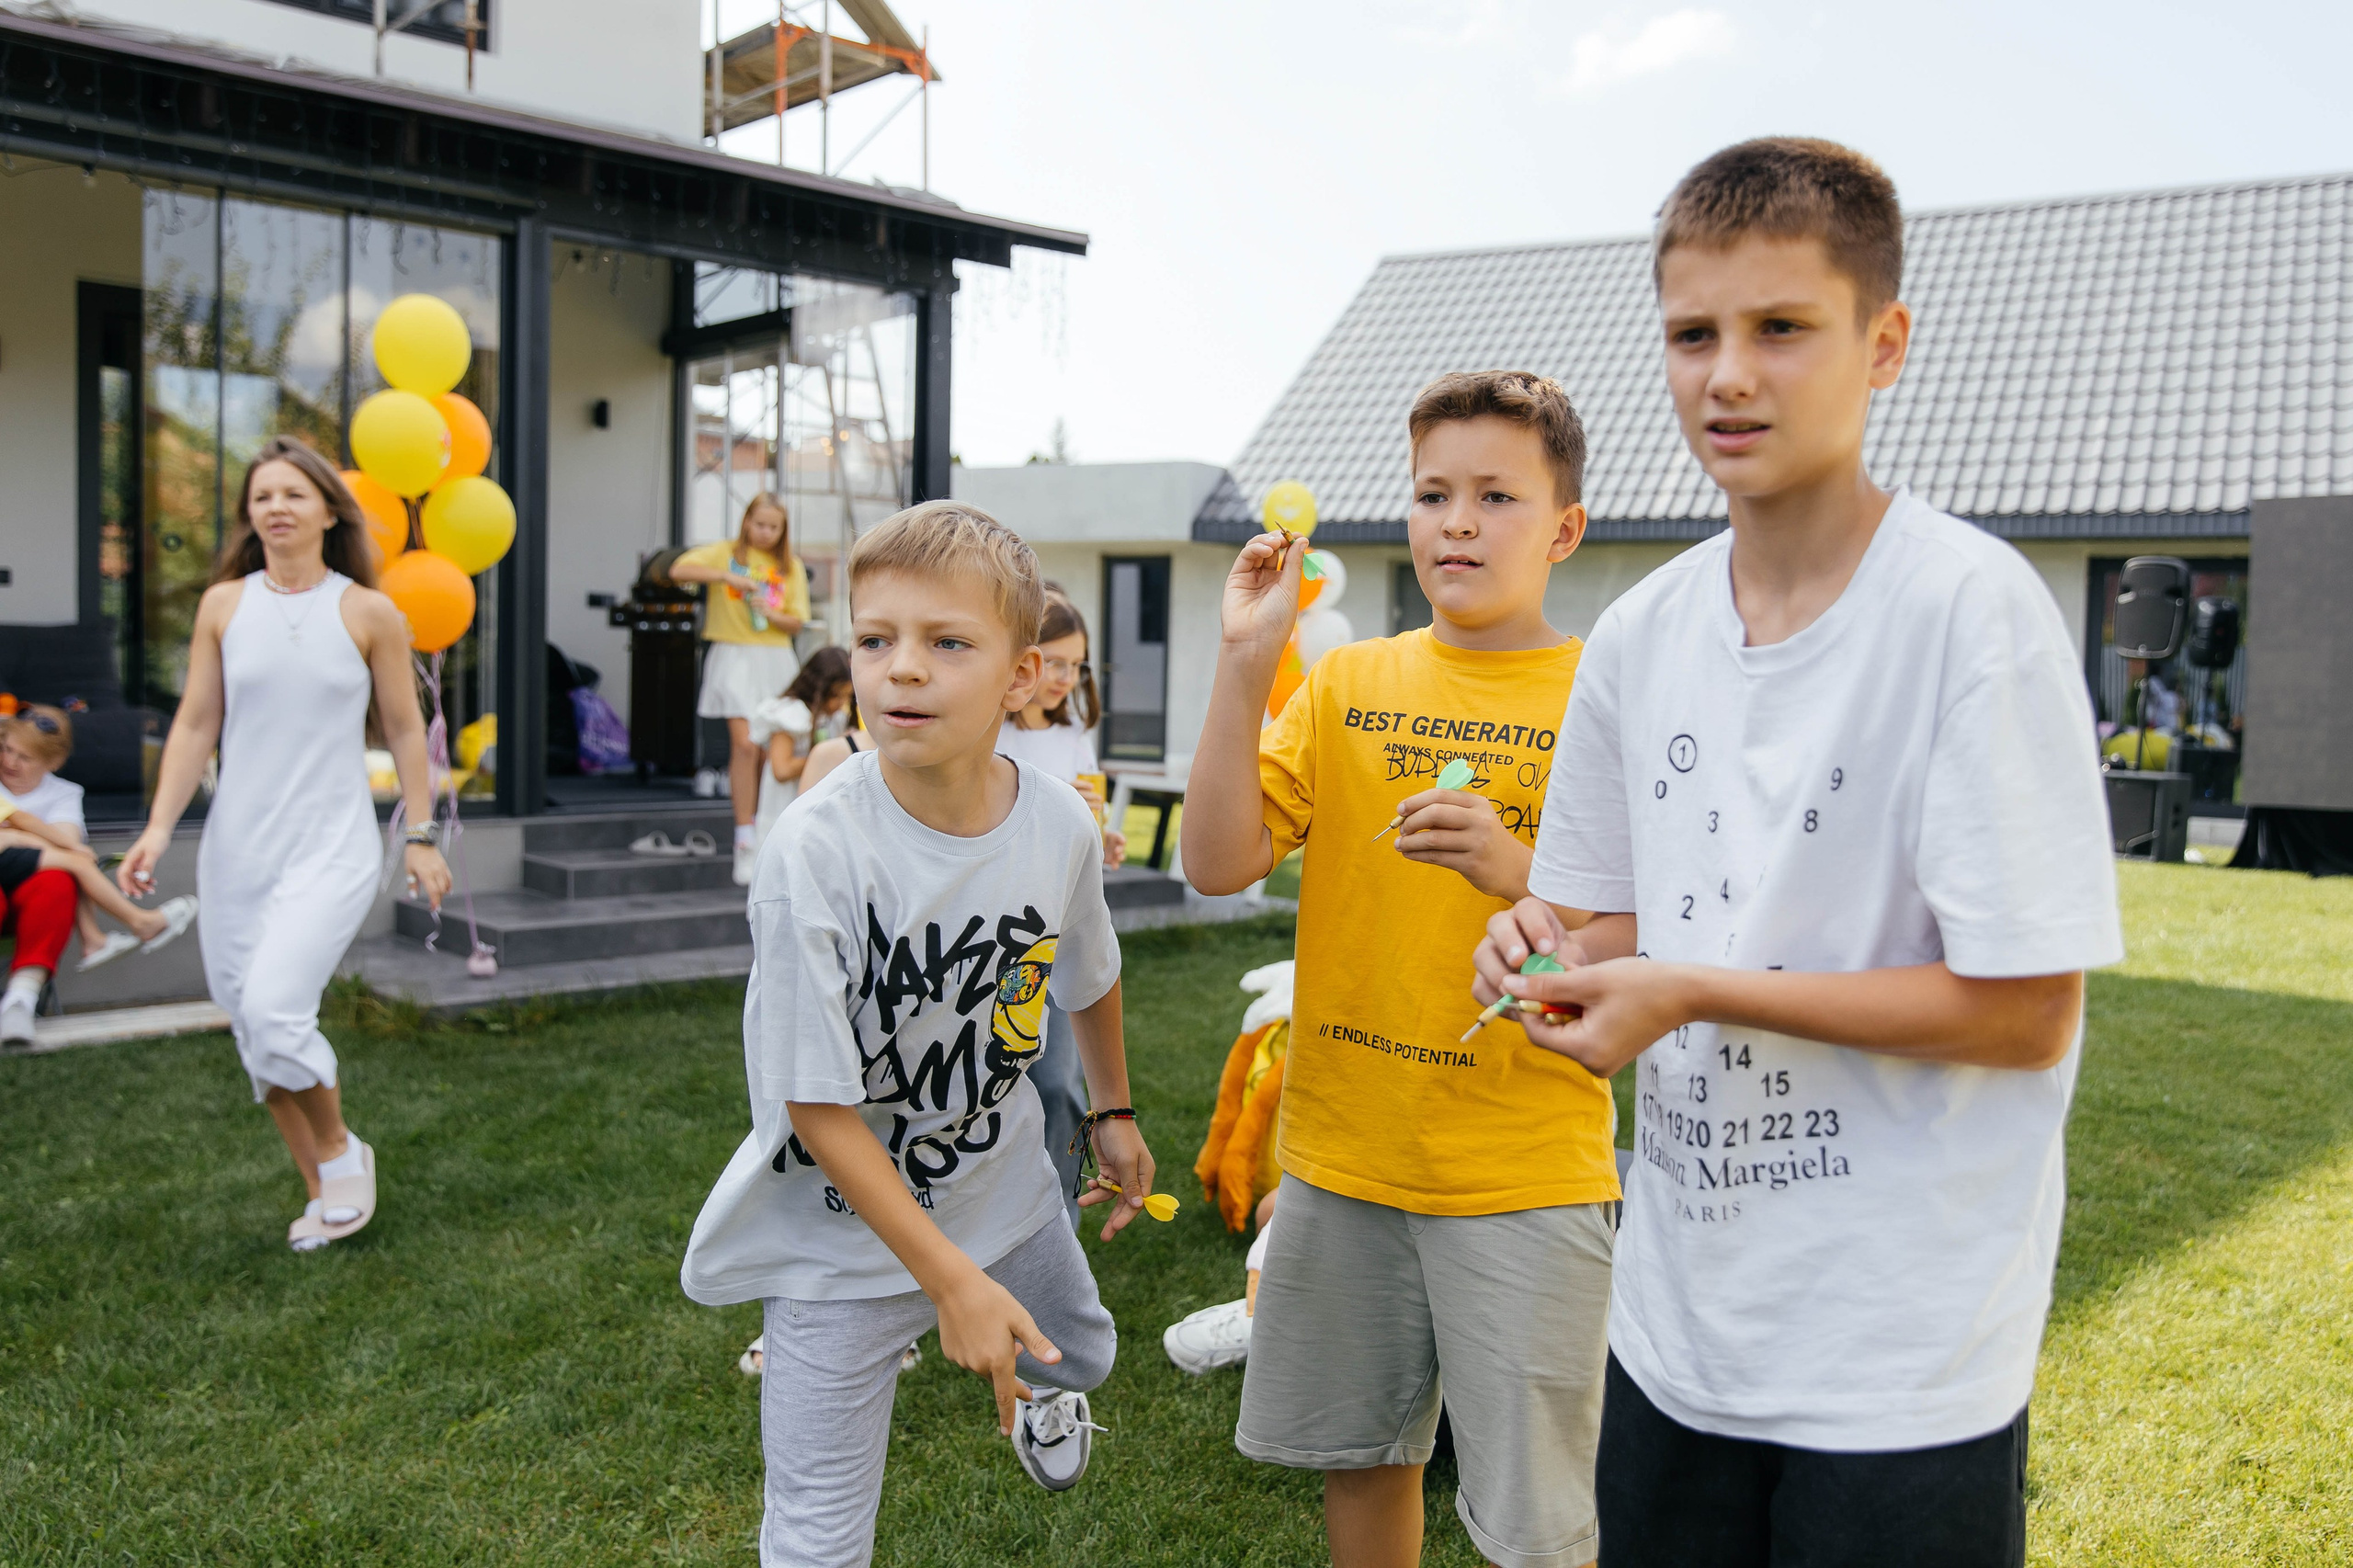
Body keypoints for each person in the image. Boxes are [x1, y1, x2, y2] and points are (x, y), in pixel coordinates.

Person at [1472, 139, 2122, 1568]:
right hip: (1676, 1327)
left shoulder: (1971, 612)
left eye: (1781, 328)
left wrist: (1692, 989)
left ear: (1884, 343)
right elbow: (1591, 917)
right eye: (1694, 334)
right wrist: (1536, 949)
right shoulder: (1642, 632)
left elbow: (2026, 1011)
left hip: (1902, 1358)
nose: (1729, 375)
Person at [1186, 369, 1620, 1568]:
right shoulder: (1349, 682)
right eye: (1434, 493)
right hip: (1344, 1159)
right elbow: (1219, 859)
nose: (1459, 520)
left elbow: (1659, 930)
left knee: (1538, 1524)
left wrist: (1512, 866)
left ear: (1565, 527)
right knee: (1368, 1471)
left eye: (1496, 494)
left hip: (1522, 1170)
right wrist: (1242, 662)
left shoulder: (1605, 694)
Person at [680, 499, 1158, 1567]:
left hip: (1007, 1186)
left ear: (1026, 676)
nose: (901, 669)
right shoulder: (815, 852)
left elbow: (1089, 968)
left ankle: (1046, 1397)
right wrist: (949, 1280)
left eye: (947, 642)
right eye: (876, 638)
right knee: (813, 1531)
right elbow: (817, 1102)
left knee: (1079, 1351)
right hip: (834, 1237)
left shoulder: (1058, 825)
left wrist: (1115, 1111)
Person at [117, 435, 454, 1253]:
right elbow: (197, 722)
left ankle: (340, 1150)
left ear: (329, 510)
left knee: (276, 1008)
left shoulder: (369, 612)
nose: (275, 508)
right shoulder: (223, 605)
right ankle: (320, 1193)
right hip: (238, 849)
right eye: (261, 496)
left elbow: (407, 731)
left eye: (292, 494)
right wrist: (159, 830)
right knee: (249, 1026)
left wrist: (419, 834)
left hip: (331, 846)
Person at [995, 590, 1128, 1229]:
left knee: (1055, 1083)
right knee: (999, 1082)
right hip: (1002, 939)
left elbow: (1086, 826)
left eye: (1074, 666)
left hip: (1062, 937)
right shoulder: (990, 734)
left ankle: (1055, 1223)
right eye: (1051, 661)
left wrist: (1104, 835)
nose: (1062, 678)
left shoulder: (1076, 737)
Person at [667, 494, 813, 886]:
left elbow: (798, 622)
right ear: (747, 521)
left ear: (783, 530)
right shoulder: (724, 553)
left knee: (772, 751)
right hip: (732, 656)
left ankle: (768, 833)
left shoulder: (790, 567)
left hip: (776, 659)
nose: (765, 532)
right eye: (759, 523)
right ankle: (743, 834)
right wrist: (725, 577)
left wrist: (772, 613)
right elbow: (678, 570)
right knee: (745, 744)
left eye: (773, 526)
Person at [0, 706, 198, 973]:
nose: (10, 762)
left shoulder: (63, 793)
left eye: (24, 757)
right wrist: (67, 847)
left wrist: (15, 837)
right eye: (6, 749)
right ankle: (125, 926)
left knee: (63, 873)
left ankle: (28, 990)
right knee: (78, 862)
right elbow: (24, 820)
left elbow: (22, 823)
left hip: (25, 885)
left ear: (53, 763)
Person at [747, 645, 854, 851]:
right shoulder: (791, 714)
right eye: (835, 696)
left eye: (845, 697)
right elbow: (782, 769)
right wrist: (827, 754)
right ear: (818, 687)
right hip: (783, 809)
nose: (839, 704)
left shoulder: (834, 719)